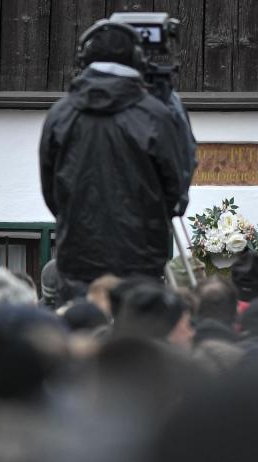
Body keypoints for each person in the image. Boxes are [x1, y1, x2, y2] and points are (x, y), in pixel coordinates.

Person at [40, 19, 196, 304]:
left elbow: (52, 194)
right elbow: (175, 189)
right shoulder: (156, 115)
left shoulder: (60, 115)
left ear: (84, 60)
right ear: (138, 59)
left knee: (81, 338)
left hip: (77, 261)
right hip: (141, 261)